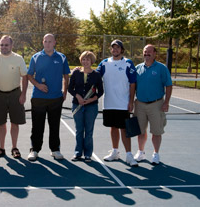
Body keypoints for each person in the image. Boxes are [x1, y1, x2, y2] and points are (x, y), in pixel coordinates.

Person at [27, 33, 70, 161]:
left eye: (50, 41)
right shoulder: (35, 57)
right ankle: (34, 150)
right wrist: (38, 85)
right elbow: (29, 75)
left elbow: (66, 76)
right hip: (38, 98)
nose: (47, 44)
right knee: (37, 126)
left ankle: (55, 150)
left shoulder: (61, 57)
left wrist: (64, 91)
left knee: (54, 125)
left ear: (55, 42)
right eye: (45, 41)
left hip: (56, 98)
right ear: (43, 42)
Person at [96, 39, 138, 167]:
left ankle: (129, 155)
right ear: (111, 50)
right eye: (113, 48)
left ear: (122, 50)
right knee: (113, 128)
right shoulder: (104, 63)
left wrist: (131, 101)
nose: (115, 50)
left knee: (124, 129)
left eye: (118, 48)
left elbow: (132, 84)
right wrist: (81, 70)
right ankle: (115, 152)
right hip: (109, 103)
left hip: (123, 104)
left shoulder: (128, 63)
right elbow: (94, 76)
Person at [0, 35, 28, 159]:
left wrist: (23, 94)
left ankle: (14, 147)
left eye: (6, 45)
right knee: (1, 123)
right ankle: (1, 148)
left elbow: (25, 77)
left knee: (15, 122)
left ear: (11, 46)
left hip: (15, 95)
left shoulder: (18, 58)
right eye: (1, 45)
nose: (3, 47)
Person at [133, 44, 172, 165]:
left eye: (149, 51)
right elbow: (132, 86)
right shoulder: (137, 68)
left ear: (155, 53)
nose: (147, 54)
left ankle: (156, 154)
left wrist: (166, 102)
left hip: (156, 104)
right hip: (139, 104)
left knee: (156, 131)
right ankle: (140, 152)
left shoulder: (161, 68)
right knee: (140, 131)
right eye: (145, 51)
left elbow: (169, 85)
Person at [68, 51, 103, 162]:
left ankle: (88, 154)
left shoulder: (96, 75)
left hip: (91, 107)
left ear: (91, 61)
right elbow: (70, 88)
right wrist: (77, 96)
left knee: (88, 131)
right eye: (83, 59)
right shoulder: (76, 73)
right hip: (77, 105)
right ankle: (78, 153)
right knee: (79, 130)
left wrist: (91, 99)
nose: (85, 61)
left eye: (88, 59)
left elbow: (101, 91)